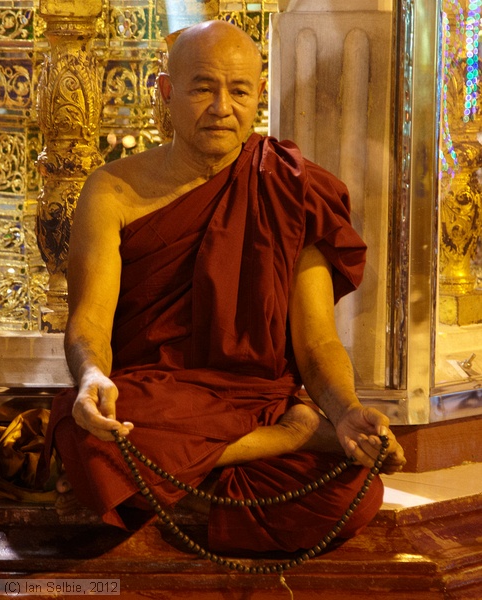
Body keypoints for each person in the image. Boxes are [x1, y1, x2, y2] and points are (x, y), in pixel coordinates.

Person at [43, 20, 407, 554]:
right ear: (166, 92)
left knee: (352, 491)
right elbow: (90, 321)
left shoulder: (287, 186)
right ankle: (287, 438)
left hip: (251, 399)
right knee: (103, 433)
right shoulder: (115, 189)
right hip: (162, 397)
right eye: (201, 88)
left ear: (258, 95)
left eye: (238, 91)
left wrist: (346, 408)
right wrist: (92, 374)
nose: (221, 107)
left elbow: (318, 341)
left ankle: (171, 485)